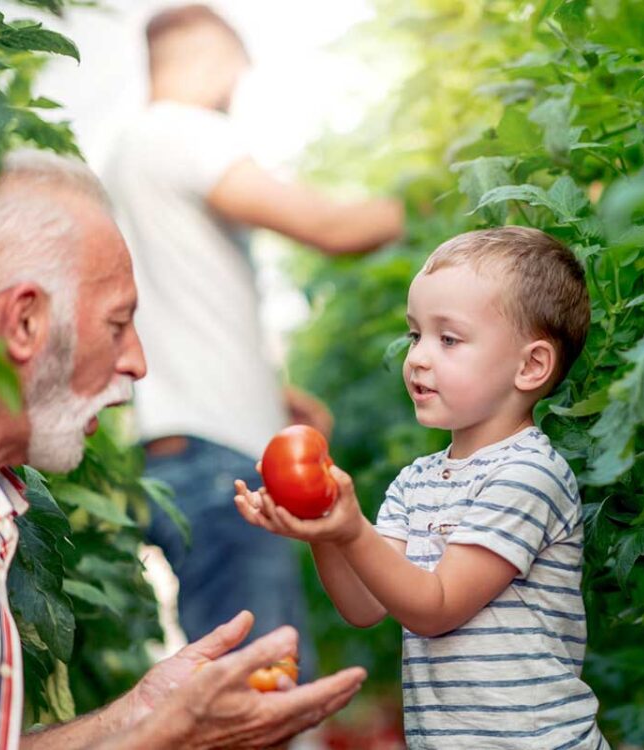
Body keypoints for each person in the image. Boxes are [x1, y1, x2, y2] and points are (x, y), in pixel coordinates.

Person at [0, 149, 365, 749]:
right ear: (24, 322)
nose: (137, 363)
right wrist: (169, 739)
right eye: (117, 324)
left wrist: (140, 714)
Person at [100, 3, 406, 668]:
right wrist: (438, 196)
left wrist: (273, 399)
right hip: (219, 466)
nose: (234, 92)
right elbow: (333, 228)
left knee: (263, 679)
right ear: (214, 60)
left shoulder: (128, 155)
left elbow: (182, 304)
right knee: (262, 690)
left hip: (191, 456)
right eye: (236, 73)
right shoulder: (183, 130)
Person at [235, 226, 609, 748]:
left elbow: (436, 607)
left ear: (530, 366)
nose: (418, 358)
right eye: (415, 335)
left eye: (448, 339)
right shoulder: (417, 481)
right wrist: (324, 526)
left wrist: (352, 530)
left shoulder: (528, 475)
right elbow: (365, 605)